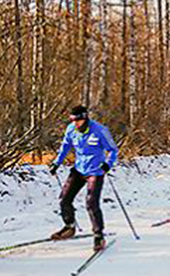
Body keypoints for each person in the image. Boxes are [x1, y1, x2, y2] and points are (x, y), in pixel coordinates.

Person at [48, 106, 118, 251]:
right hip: (79, 169)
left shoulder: (100, 130)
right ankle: (69, 227)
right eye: (72, 120)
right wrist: (56, 163)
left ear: (85, 118)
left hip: (96, 171)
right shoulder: (71, 129)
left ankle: (99, 235)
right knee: (64, 199)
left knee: (91, 203)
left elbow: (113, 150)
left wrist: (107, 165)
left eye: (77, 120)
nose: (75, 123)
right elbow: (65, 147)